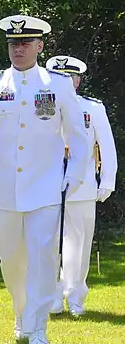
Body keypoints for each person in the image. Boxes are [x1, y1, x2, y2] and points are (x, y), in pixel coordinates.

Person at [0, 15, 88, 344]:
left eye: (25, 43)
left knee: (43, 257)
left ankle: (38, 326)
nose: (18, 48)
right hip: (3, 187)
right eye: (13, 43)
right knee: (9, 257)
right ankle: (21, 311)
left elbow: (77, 135)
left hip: (45, 187)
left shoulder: (57, 84)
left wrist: (75, 174)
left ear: (39, 46)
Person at [46, 55, 117, 317]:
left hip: (82, 186)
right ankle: (52, 294)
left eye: (70, 78)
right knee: (48, 244)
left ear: (77, 81)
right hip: (47, 185)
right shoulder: (41, 106)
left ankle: (75, 295)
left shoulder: (92, 107)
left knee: (80, 244)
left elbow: (107, 146)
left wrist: (107, 180)